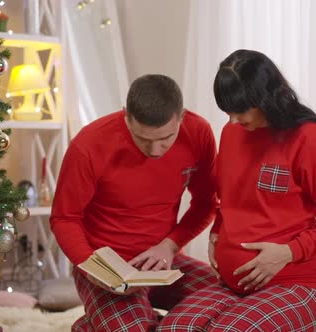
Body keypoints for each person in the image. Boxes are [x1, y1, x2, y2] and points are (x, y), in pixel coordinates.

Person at [158, 50, 316, 331]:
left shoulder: (308, 139)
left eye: (240, 111)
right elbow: (230, 198)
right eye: (228, 112)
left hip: (299, 285)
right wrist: (218, 231)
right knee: (173, 328)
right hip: (234, 286)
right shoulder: (233, 133)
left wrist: (288, 252)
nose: (232, 121)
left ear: (266, 99)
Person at [50, 74, 219, 332]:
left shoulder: (198, 132)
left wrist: (170, 247)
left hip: (164, 263)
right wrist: (92, 267)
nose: (155, 150)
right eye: (143, 139)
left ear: (181, 117)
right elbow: (64, 218)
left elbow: (206, 204)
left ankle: (94, 326)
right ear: (125, 116)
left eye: (166, 138)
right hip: (106, 270)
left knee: (232, 305)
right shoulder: (89, 144)